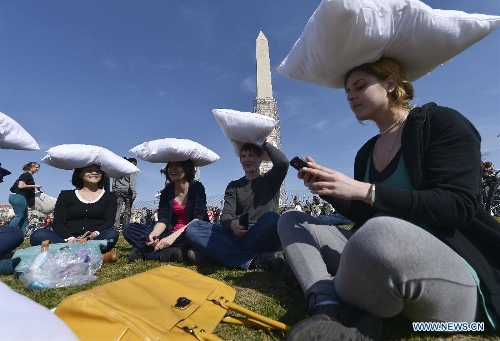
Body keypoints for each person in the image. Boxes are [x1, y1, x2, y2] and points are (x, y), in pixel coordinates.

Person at [278, 58, 500, 340]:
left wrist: (366, 190)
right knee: (292, 220)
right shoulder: (366, 152)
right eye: (347, 92)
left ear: (391, 83)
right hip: (381, 252)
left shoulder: (440, 122)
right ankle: (327, 303)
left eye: (359, 86)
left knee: (380, 232)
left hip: (452, 267)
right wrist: (331, 190)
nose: (351, 96)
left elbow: (459, 206)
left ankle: (349, 298)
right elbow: (365, 216)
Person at [184, 137, 289, 270]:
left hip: (260, 232)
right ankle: (253, 259)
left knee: (273, 219)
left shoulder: (270, 179)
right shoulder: (233, 186)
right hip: (238, 233)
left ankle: (217, 254)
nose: (246, 160)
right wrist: (233, 224)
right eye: (243, 156)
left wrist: (267, 145)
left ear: (260, 158)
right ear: (240, 160)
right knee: (194, 228)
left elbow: (283, 163)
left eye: (251, 155)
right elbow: (227, 214)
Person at [122, 160, 209, 262]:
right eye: (170, 166)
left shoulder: (197, 187)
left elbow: (197, 220)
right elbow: (163, 220)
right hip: (169, 233)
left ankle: (149, 252)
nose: (172, 169)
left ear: (187, 168)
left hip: (190, 232)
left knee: (194, 235)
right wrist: (154, 235)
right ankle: (174, 253)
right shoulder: (167, 191)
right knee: (129, 229)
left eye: (178, 165)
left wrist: (172, 238)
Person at [30, 164, 119, 253]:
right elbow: (58, 223)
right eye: (89, 169)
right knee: (38, 235)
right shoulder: (66, 195)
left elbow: (109, 221)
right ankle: (87, 252)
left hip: (94, 239)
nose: (94, 172)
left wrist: (94, 234)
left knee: (111, 234)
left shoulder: (110, 196)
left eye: (98, 170)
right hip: (66, 241)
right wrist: (70, 238)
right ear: (79, 173)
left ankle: (69, 252)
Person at [8, 162, 41, 235]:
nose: (37, 169)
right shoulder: (26, 175)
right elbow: (20, 186)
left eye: (38, 167)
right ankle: (9, 232)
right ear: (30, 167)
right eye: (36, 167)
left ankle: (23, 233)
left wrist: (35, 193)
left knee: (24, 216)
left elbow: (24, 189)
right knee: (19, 215)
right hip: (18, 197)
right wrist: (34, 186)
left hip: (20, 197)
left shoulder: (28, 176)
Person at [112, 157, 138, 231]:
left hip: (117, 191)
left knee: (117, 209)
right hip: (127, 191)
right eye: (135, 164)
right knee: (128, 209)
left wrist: (114, 190)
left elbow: (114, 181)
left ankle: (116, 226)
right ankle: (126, 226)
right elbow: (132, 181)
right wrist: (134, 191)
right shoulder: (132, 169)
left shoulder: (118, 170)